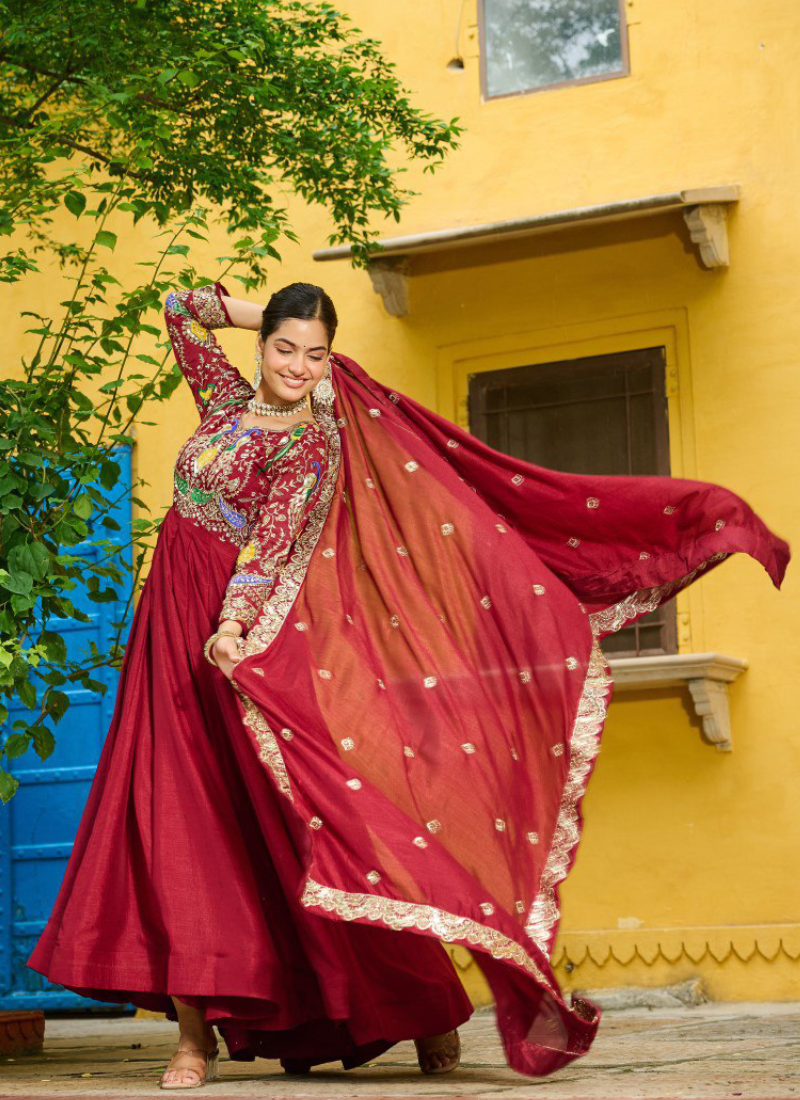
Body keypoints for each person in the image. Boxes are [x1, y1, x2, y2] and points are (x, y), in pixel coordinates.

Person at [27, 280, 790, 1087]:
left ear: (329, 362)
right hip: (164, 629)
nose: (297, 366)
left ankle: (422, 1009)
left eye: (316, 355)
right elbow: (181, 307)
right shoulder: (220, 404)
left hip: (236, 633)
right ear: (261, 348)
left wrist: (231, 627)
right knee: (175, 815)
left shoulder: (309, 445)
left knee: (303, 825)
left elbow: (272, 545)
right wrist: (287, 315)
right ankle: (193, 1038)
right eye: (286, 348)